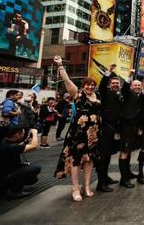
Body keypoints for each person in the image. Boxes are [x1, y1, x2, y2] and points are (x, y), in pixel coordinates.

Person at [54, 55, 101, 202]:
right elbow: (67, 81)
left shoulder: (98, 96)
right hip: (78, 133)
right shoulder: (78, 94)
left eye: (92, 84)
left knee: (89, 160)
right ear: (83, 86)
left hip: (93, 133)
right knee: (76, 160)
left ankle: (87, 186)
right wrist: (60, 66)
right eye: (88, 84)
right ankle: (75, 187)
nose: (90, 87)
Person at [96, 64, 121, 192]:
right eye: (114, 83)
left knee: (109, 155)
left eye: (117, 83)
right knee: (103, 156)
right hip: (105, 128)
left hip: (113, 130)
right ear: (110, 84)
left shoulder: (118, 95)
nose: (116, 85)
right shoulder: (106, 93)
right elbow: (101, 86)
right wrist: (108, 71)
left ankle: (105, 177)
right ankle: (101, 183)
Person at [118, 69, 144, 188]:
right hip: (126, 127)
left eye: (139, 85)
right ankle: (123, 179)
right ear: (132, 86)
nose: (138, 87)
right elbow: (124, 89)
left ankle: (127, 173)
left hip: (134, 127)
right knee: (124, 151)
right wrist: (130, 76)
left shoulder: (140, 96)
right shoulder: (128, 93)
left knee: (128, 151)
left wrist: (139, 128)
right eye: (135, 85)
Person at [0, 125, 41, 199]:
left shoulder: (5, 141)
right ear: (17, 134)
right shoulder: (9, 147)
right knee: (36, 168)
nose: (24, 135)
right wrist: (34, 133)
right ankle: (13, 191)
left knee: (33, 178)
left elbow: (19, 146)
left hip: (5, 172)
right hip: (3, 178)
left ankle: (13, 187)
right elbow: (34, 146)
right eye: (23, 134)